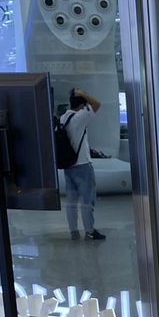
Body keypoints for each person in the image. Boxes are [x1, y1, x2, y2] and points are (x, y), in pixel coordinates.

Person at [59, 88, 105, 241]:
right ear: (81, 105)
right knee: (87, 200)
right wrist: (84, 94)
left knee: (71, 201)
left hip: (68, 165)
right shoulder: (79, 117)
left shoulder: (63, 118)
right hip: (82, 165)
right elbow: (97, 104)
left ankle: (73, 231)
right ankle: (90, 231)